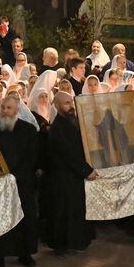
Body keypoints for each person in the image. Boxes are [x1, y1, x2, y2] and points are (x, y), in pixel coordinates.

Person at [43, 92, 97, 255]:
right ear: (57, 106)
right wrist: (86, 171)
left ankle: (73, 242)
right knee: (63, 212)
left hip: (72, 176)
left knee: (73, 211)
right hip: (63, 177)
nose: (70, 106)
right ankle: (62, 245)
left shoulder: (72, 122)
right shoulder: (59, 127)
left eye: (71, 102)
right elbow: (68, 154)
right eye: (66, 103)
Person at [0, 93, 38, 267]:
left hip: (21, 183)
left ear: (17, 110)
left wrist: (14, 176)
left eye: (9, 108)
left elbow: (31, 158)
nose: (4, 111)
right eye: (2, 107)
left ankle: (25, 254)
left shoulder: (28, 130)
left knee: (24, 219)